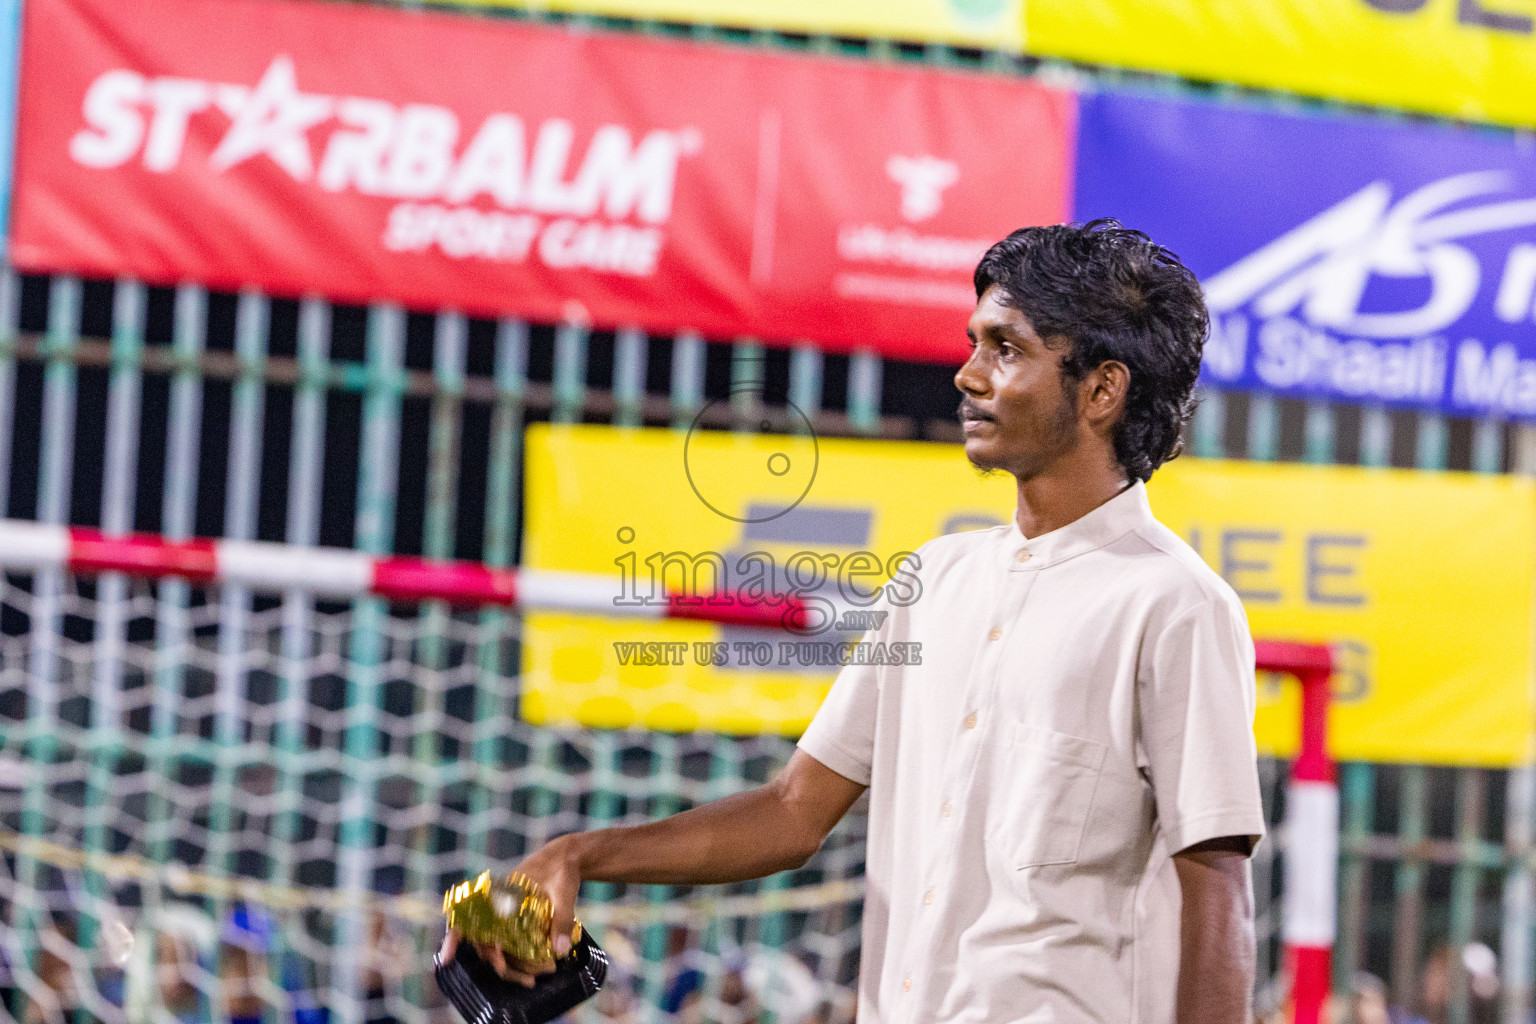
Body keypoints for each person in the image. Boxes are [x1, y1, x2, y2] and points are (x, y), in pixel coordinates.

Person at [439, 219, 1267, 1023]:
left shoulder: (1175, 606)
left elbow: (1218, 896)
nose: (968, 375)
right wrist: (580, 856)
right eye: (974, 342)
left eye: (1005, 348)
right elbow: (795, 812)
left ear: (1101, 389)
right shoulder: (933, 579)